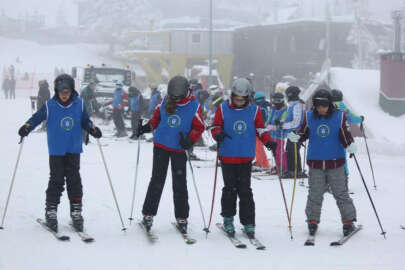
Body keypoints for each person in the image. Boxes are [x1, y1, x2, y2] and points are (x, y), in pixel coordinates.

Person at [17, 74, 102, 233]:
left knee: (74, 180)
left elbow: (86, 121)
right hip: (56, 150)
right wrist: (27, 127)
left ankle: (76, 212)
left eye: (67, 91)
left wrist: (92, 129)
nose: (64, 94)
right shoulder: (50, 105)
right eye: (61, 91)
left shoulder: (80, 104)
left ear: (71, 91)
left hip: (74, 148)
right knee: (56, 180)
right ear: (56, 91)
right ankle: (51, 211)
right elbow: (36, 118)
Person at [137, 76, 205, 234]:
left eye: (178, 98)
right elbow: (155, 119)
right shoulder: (164, 101)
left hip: (179, 149)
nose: (175, 100)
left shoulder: (193, 105)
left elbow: (199, 126)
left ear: (186, 92)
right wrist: (145, 128)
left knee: (180, 183)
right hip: (161, 146)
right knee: (157, 181)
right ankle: (148, 214)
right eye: (173, 97)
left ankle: (182, 217)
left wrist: (190, 140)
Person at [211, 78, 276, 238]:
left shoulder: (254, 111)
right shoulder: (222, 108)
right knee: (229, 190)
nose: (239, 102)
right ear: (232, 95)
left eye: (242, 99)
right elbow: (215, 126)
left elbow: (261, 129)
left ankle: (248, 223)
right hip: (227, 156)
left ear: (248, 98)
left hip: (245, 157)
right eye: (236, 99)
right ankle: (228, 219)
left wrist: (268, 141)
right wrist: (217, 134)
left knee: (245, 191)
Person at [287, 89, 358, 237]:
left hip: (335, 163)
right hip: (315, 163)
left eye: (324, 106)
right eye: (318, 106)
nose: (321, 109)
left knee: (341, 193)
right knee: (315, 193)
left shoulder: (339, 116)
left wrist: (350, 144)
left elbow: (345, 134)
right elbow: (303, 132)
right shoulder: (309, 116)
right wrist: (296, 137)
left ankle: (348, 221)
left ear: (329, 104)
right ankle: (312, 220)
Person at [331, 89, 364, 184]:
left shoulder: (328, 107)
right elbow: (355, 119)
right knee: (342, 158)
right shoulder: (344, 109)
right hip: (344, 137)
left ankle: (329, 181)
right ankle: (344, 180)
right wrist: (361, 118)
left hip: (331, 137)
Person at [281, 86, 306, 178]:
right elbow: (290, 119)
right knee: (290, 150)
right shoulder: (293, 105)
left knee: (293, 150)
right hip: (292, 132)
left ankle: (297, 171)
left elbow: (296, 122)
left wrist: (283, 125)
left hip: (296, 132)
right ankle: (291, 170)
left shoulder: (297, 105)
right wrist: (282, 123)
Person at [266, 92, 288, 174]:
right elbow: (268, 120)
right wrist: (265, 126)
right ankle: (278, 166)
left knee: (280, 152)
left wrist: (276, 126)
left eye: (277, 100)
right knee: (274, 152)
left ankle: (284, 167)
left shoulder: (285, 111)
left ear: (282, 100)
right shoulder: (273, 110)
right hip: (272, 135)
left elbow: (283, 123)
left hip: (279, 135)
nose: (275, 102)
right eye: (274, 100)